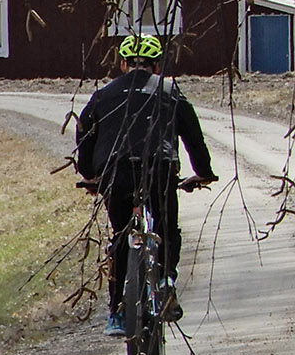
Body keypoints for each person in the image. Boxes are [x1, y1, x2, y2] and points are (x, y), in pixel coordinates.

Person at [75, 33, 216, 337]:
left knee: (121, 235)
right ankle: (164, 282)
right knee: (166, 231)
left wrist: (89, 175)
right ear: (155, 65)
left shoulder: (102, 95)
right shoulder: (170, 91)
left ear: (123, 64)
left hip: (116, 172)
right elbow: (193, 135)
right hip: (159, 170)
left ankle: (116, 313)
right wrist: (202, 172)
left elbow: (85, 134)